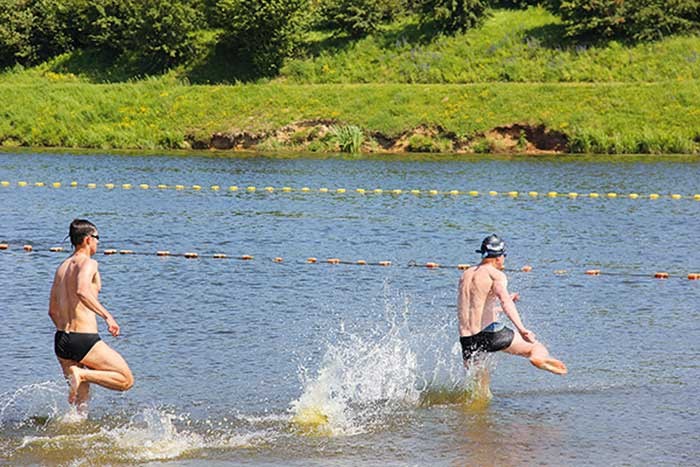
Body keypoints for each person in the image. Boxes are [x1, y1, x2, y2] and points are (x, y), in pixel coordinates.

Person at [48, 219, 134, 415]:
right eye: (97, 239)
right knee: (125, 380)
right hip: (84, 338)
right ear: (88, 239)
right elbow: (82, 291)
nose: (98, 243)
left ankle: (76, 431)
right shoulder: (89, 262)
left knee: (80, 402)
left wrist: (68, 334)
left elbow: (52, 310)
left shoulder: (61, 267)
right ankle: (82, 373)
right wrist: (108, 317)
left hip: (62, 340)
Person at [458, 234, 567, 375]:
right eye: (504, 256)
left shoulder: (465, 275)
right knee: (535, 348)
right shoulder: (495, 275)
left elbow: (472, 308)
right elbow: (505, 301)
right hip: (490, 334)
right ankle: (537, 358)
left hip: (467, 339)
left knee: (479, 380)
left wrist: (497, 308)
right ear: (499, 257)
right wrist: (522, 330)